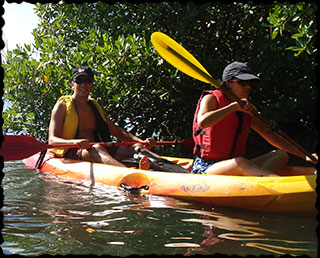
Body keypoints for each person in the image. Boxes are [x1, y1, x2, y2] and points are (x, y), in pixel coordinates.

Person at [191, 61, 318, 176]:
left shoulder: (246, 109)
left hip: (233, 165)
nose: (248, 87)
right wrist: (233, 107)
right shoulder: (211, 98)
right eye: (242, 82)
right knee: (240, 162)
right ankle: (274, 183)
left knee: (281, 155)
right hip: (207, 167)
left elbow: (271, 136)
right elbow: (202, 122)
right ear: (228, 83)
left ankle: (257, 180)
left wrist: (305, 155)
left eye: (249, 83)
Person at [48, 66, 155, 169]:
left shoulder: (94, 106)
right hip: (73, 152)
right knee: (97, 148)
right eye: (79, 81)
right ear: (72, 84)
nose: (83, 85)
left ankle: (166, 167)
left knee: (137, 148)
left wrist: (141, 142)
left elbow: (117, 131)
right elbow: (52, 141)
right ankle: (128, 174)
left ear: (92, 85)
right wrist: (75, 143)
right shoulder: (61, 106)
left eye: (88, 81)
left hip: (97, 150)